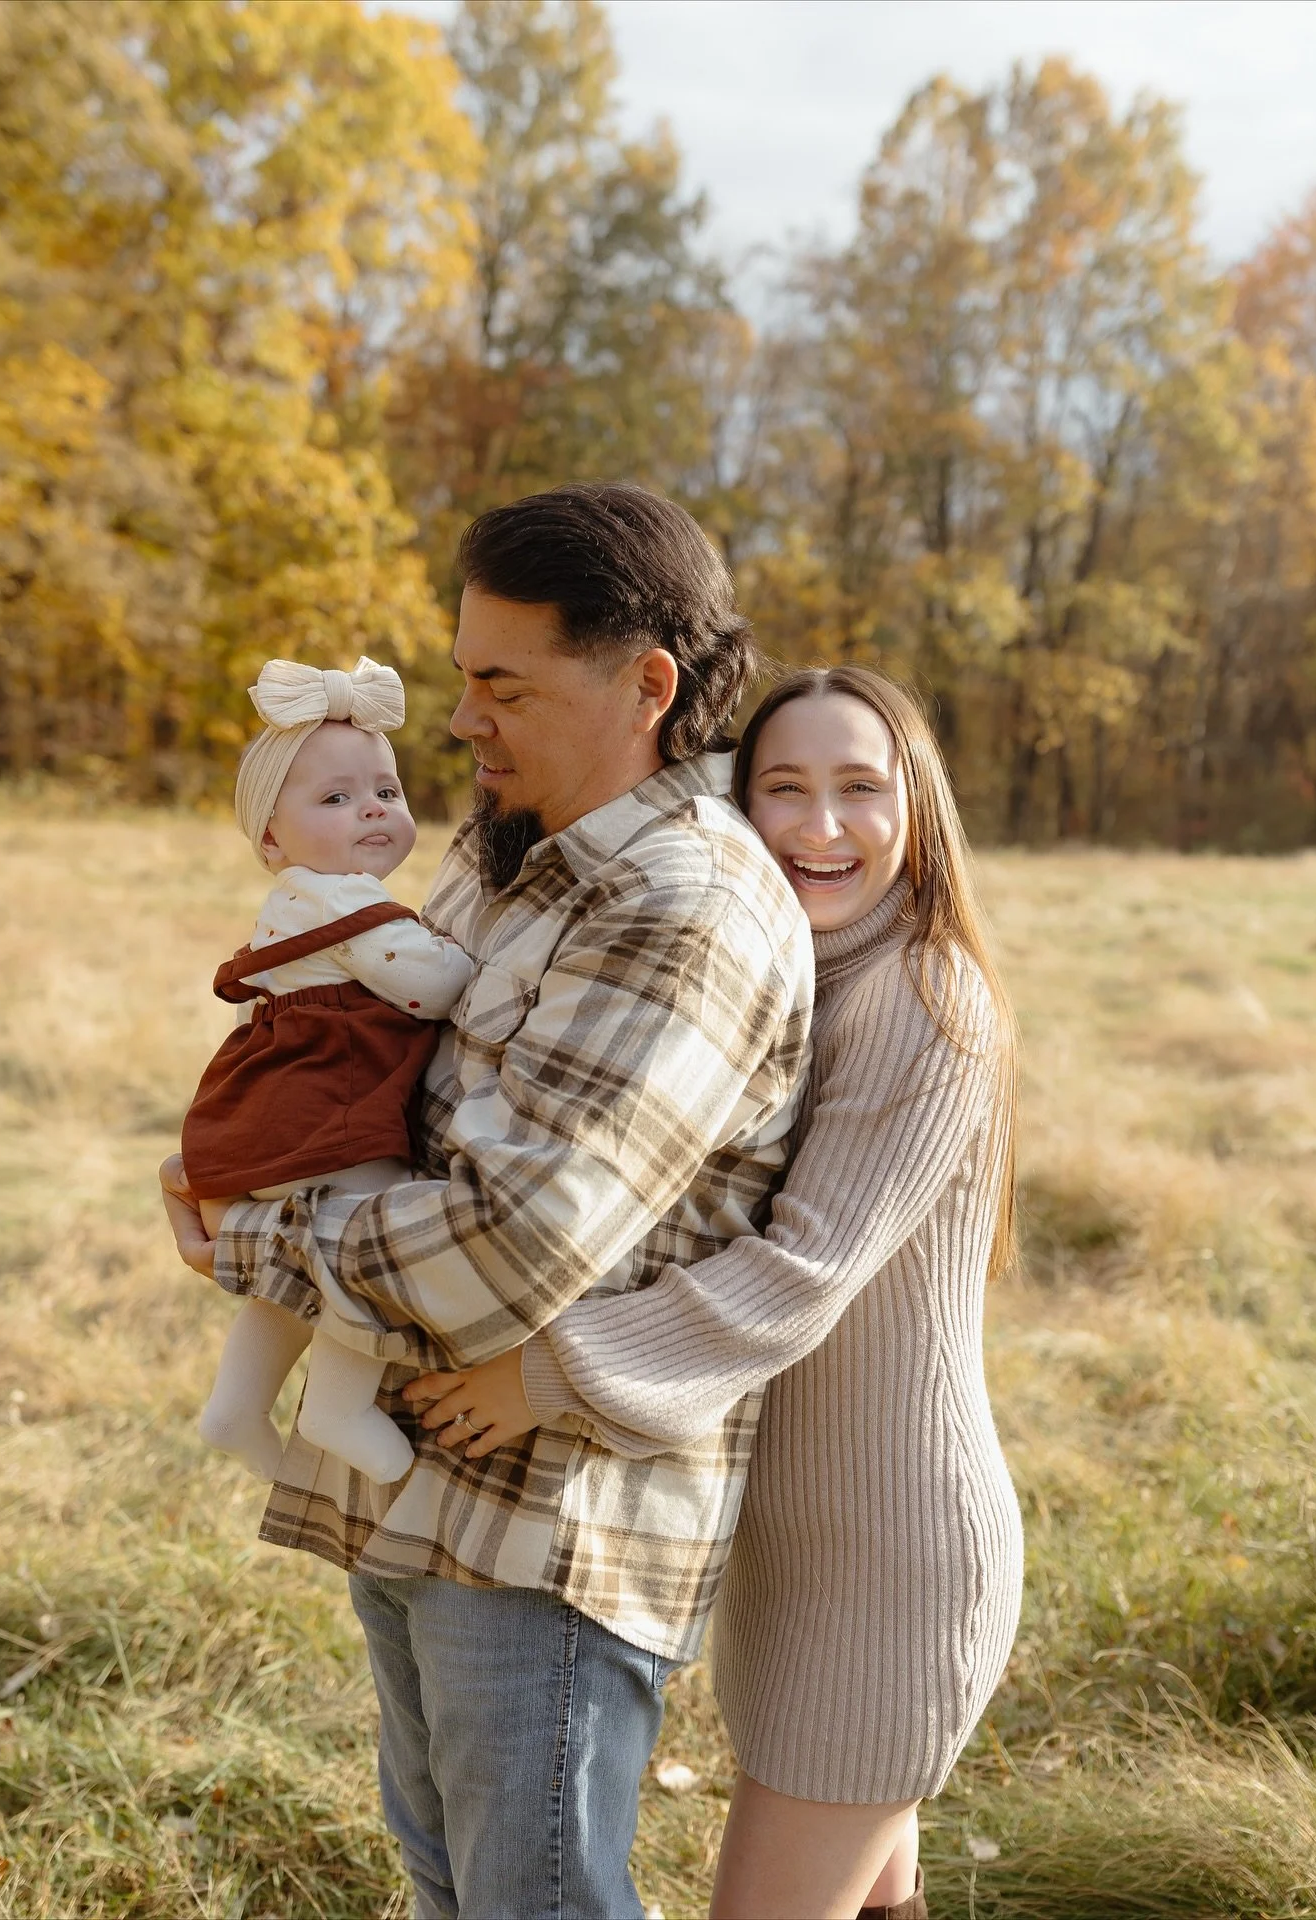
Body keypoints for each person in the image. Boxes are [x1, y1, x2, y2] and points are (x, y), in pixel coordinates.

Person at [159, 484, 814, 1920]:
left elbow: (509, 1248)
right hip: (419, 1488)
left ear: (648, 687)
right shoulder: (502, 851)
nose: (462, 720)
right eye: (463, 677)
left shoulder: (682, 905)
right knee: (448, 1886)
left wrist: (245, 1233)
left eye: (504, 686)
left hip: (546, 1533)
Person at [409, 665, 1024, 1920]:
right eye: (782, 788)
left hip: (887, 1563)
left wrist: (549, 1373)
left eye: (861, 788)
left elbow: (806, 1265)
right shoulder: (789, 967)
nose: (820, 825)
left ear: (919, 805)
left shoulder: (924, 996)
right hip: (793, 1552)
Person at [182, 655, 474, 1485]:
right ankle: (338, 1404)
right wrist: (466, 953)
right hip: (331, 1123)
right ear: (271, 839)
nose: (372, 808)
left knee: (296, 1276)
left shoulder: (301, 900)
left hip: (276, 1123)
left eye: (386, 789)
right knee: (371, 1245)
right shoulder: (341, 899)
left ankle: (236, 1409)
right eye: (336, 799)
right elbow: (433, 986)